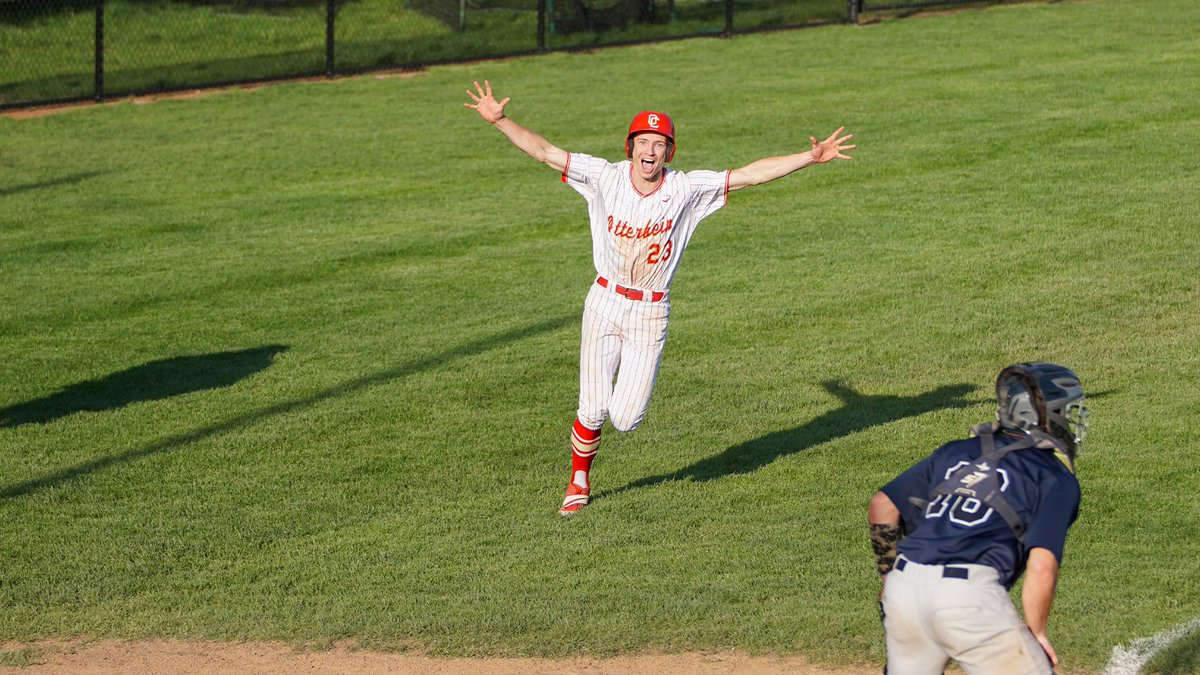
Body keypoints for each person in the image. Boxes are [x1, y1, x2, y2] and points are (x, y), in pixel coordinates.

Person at [465, 80, 855, 516]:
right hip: (604, 301)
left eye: (659, 144)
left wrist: (809, 157)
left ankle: (600, 429)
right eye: (643, 142)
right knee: (591, 407)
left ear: (670, 152)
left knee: (626, 419)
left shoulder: (686, 189)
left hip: (650, 310)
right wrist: (500, 121)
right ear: (630, 147)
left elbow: (749, 174)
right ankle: (578, 479)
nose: (650, 151)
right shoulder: (604, 177)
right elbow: (545, 151)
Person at [868, 362, 1090, 674]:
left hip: (904, 587)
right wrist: (1037, 631)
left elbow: (882, 505)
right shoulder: (1053, 476)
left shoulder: (956, 451)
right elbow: (1041, 565)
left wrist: (888, 578)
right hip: (967, 597)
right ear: (1050, 415)